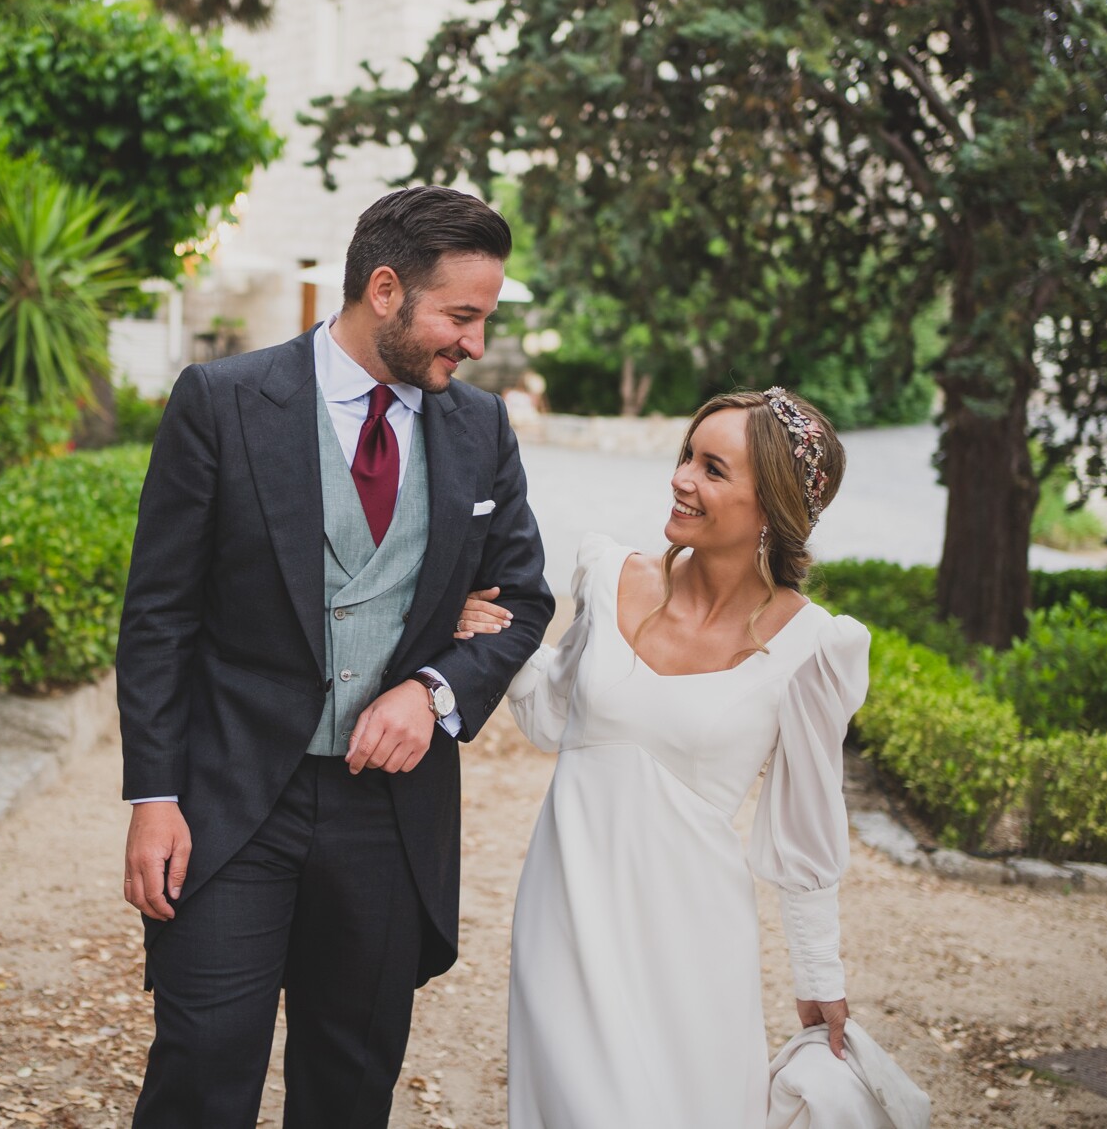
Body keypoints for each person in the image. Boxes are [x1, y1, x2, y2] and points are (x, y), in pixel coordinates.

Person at [115, 185, 553, 1129]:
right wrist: (152, 797)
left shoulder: (480, 430)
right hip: (233, 799)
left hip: (389, 817)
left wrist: (432, 690)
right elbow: (158, 615)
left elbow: (521, 598)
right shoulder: (223, 402)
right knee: (200, 1066)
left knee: (351, 1084)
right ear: (385, 289)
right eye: (462, 315)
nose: (475, 343)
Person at [466, 387, 869, 1127]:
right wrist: (488, 631)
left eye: (714, 469)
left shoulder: (812, 648)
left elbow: (808, 830)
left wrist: (819, 973)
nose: (683, 477)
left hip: (695, 941)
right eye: (688, 454)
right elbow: (554, 716)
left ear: (772, 508)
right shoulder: (611, 573)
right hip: (567, 919)